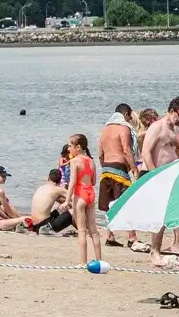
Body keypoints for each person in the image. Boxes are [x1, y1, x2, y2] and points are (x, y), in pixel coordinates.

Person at [138, 97, 179, 256]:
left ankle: (174, 246)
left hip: (169, 176)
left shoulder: (174, 130)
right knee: (159, 216)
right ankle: (154, 252)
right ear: (171, 110)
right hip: (155, 174)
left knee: (173, 212)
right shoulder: (157, 127)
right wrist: (155, 175)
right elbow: (146, 152)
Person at [97, 104, 137, 249]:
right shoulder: (123, 128)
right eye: (130, 116)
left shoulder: (105, 129)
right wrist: (134, 169)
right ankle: (132, 237)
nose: (130, 119)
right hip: (119, 168)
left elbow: (100, 154)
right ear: (125, 114)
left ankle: (110, 235)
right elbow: (126, 150)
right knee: (127, 203)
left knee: (109, 205)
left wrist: (104, 166)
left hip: (106, 168)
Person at [66, 135, 102, 265]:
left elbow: (73, 182)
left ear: (78, 147)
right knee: (94, 230)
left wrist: (66, 200)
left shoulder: (75, 161)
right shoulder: (91, 161)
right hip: (90, 195)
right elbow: (93, 182)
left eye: (70, 146)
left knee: (81, 230)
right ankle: (99, 260)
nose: (68, 149)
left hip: (80, 195)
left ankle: (82, 262)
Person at [28, 168, 72, 236]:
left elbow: (61, 202)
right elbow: (77, 199)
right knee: (73, 211)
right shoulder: (58, 189)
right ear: (60, 181)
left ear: (48, 178)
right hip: (44, 226)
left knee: (62, 209)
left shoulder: (41, 188)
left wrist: (67, 203)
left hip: (34, 226)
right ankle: (83, 230)